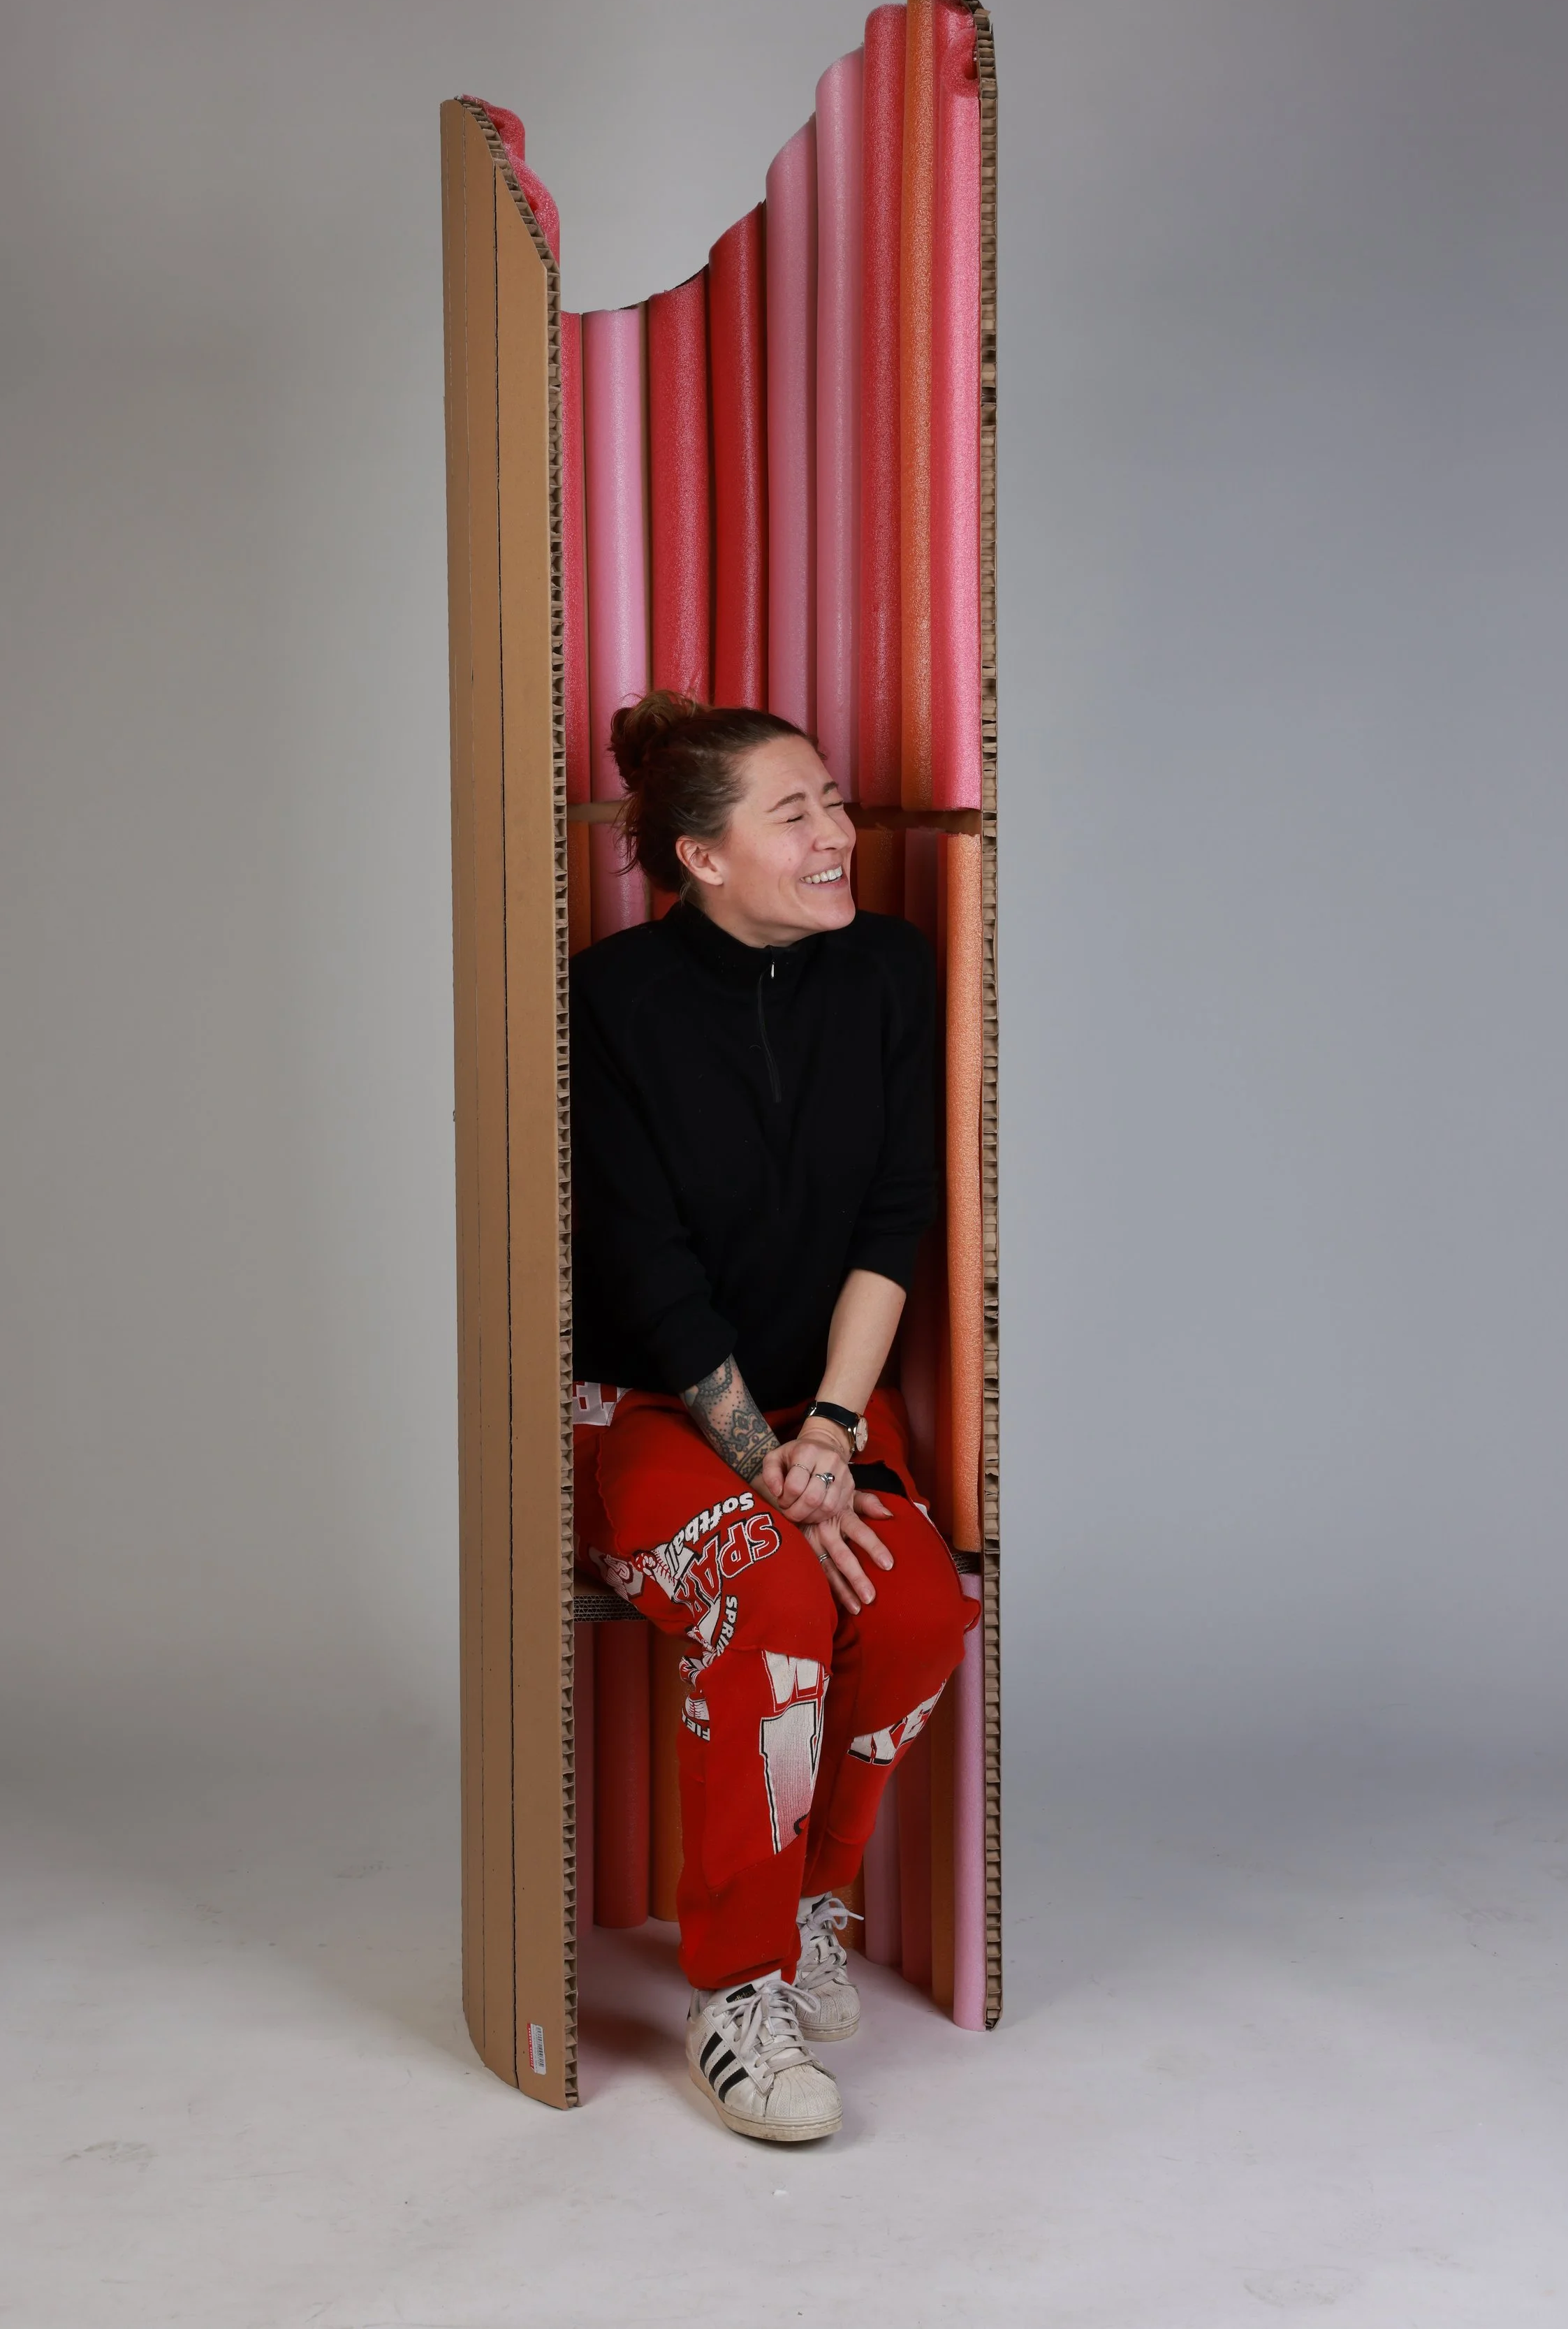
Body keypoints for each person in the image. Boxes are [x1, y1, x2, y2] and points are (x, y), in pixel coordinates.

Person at [571, 691, 977, 2145]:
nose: (833, 832)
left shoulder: (885, 970)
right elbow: (648, 1273)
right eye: (791, 812)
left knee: (921, 1605)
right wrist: (769, 1469)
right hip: (646, 1404)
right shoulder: (609, 999)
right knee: (774, 1599)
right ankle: (730, 1987)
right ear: (698, 854)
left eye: (833, 800)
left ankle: (810, 1898)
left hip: (817, 1410)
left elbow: (894, 1213)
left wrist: (832, 1432)